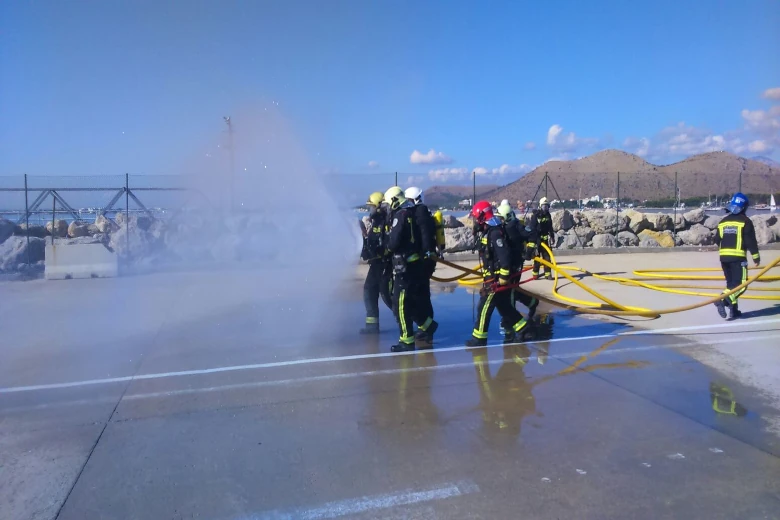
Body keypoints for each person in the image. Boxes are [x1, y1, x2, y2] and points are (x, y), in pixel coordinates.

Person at [465, 201, 530, 347]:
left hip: (495, 279)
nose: (474, 221)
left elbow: (504, 256)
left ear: (482, 217)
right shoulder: (490, 231)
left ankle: (479, 338)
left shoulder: (494, 233)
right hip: (492, 276)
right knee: (504, 306)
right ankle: (523, 328)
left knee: (484, 307)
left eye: (476, 218)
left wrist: (503, 277)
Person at [385, 186, 429, 352]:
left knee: (400, 304)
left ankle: (406, 341)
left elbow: (394, 242)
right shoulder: (413, 212)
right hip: (416, 264)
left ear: (395, 200)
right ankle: (428, 326)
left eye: (389, 203)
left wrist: (387, 247)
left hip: (405, 268)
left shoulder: (400, 215)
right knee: (410, 301)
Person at [713, 192, 760, 320]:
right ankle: (722, 300)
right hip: (738, 258)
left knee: (731, 284)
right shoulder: (745, 221)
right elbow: (751, 241)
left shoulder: (723, 222)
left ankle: (734, 310)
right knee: (741, 285)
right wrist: (756, 257)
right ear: (744, 207)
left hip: (724, 257)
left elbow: (717, 239)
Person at [404, 186, 439, 345]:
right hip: (424, 260)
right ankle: (425, 328)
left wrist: (426, 254)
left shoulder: (421, 213)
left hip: (424, 261)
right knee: (421, 295)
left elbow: (425, 236)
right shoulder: (419, 212)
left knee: (421, 296)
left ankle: (427, 330)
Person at [496, 202, 539, 326]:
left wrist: (529, 251)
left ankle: (510, 317)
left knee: (510, 289)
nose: (500, 220)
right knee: (509, 289)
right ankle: (531, 302)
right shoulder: (501, 227)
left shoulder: (516, 226)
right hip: (506, 262)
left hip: (516, 262)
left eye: (501, 218)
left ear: (508, 216)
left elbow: (532, 234)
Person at [359, 192, 392, 334]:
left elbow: (387, 244)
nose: (370, 210)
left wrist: (375, 251)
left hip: (385, 263)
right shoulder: (376, 221)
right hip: (377, 263)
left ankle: (418, 322)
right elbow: (374, 241)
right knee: (370, 290)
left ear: (379, 207)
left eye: (372, 207)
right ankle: (372, 326)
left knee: (388, 296)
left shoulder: (386, 221)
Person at [527, 197, 555, 280]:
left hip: (545, 241)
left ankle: (548, 274)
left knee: (547, 258)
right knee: (537, 258)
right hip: (537, 241)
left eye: (547, 206)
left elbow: (550, 227)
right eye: (543, 206)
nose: (545, 208)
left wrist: (552, 236)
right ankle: (535, 274)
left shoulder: (548, 215)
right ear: (540, 206)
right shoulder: (536, 216)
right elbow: (532, 228)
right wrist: (533, 241)